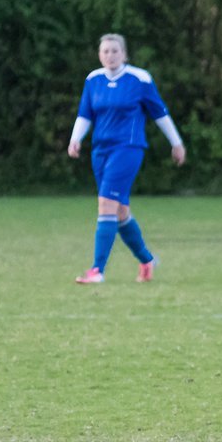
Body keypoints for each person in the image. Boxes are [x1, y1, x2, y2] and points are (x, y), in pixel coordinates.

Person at [67, 33, 186, 284]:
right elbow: (85, 113)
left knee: (106, 204)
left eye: (114, 51)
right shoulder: (93, 79)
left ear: (124, 54)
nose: (110, 55)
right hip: (100, 150)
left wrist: (176, 143)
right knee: (119, 211)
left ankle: (97, 270)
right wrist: (75, 138)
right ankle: (146, 260)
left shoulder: (139, 79)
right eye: (105, 51)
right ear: (99, 55)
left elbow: (160, 113)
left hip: (128, 148)